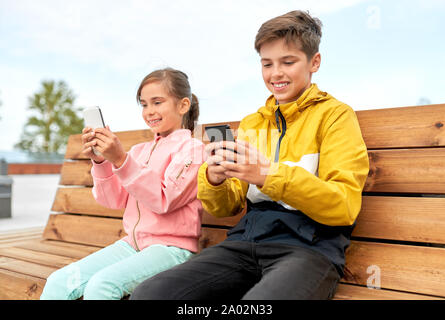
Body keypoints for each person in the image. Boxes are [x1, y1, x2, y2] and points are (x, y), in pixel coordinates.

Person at [131, 10, 369, 300]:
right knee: (150, 294)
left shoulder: (335, 116)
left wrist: (268, 174)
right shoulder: (253, 123)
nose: (275, 73)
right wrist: (214, 179)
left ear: (314, 62)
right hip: (246, 244)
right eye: (267, 64)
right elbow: (226, 207)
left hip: (309, 249)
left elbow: (343, 206)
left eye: (288, 62)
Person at [40, 68, 206, 300]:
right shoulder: (139, 151)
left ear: (183, 105)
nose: (149, 112)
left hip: (171, 249)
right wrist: (101, 161)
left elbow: (163, 200)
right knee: (58, 282)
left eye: (157, 102)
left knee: (101, 286)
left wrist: (120, 159)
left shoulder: (193, 150)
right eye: (144, 104)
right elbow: (113, 200)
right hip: (132, 245)